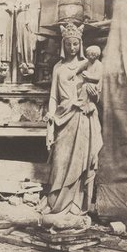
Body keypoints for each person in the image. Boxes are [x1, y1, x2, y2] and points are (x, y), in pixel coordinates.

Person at [39, 22, 103, 222]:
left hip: (82, 118)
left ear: (80, 44)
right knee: (60, 161)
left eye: (76, 44)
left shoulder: (90, 66)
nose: (72, 48)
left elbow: (96, 95)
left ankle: (75, 204)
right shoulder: (58, 68)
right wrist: (50, 119)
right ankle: (55, 203)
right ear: (63, 45)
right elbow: (53, 97)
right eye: (69, 44)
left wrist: (94, 95)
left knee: (80, 163)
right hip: (62, 118)